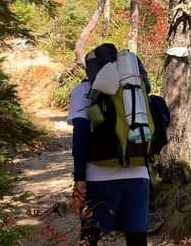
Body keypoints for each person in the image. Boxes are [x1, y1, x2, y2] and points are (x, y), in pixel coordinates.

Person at [67, 44, 150, 246]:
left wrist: (80, 177)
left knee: (90, 236)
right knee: (137, 238)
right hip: (138, 175)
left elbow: (80, 134)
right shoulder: (134, 89)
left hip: (99, 176)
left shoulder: (84, 89)